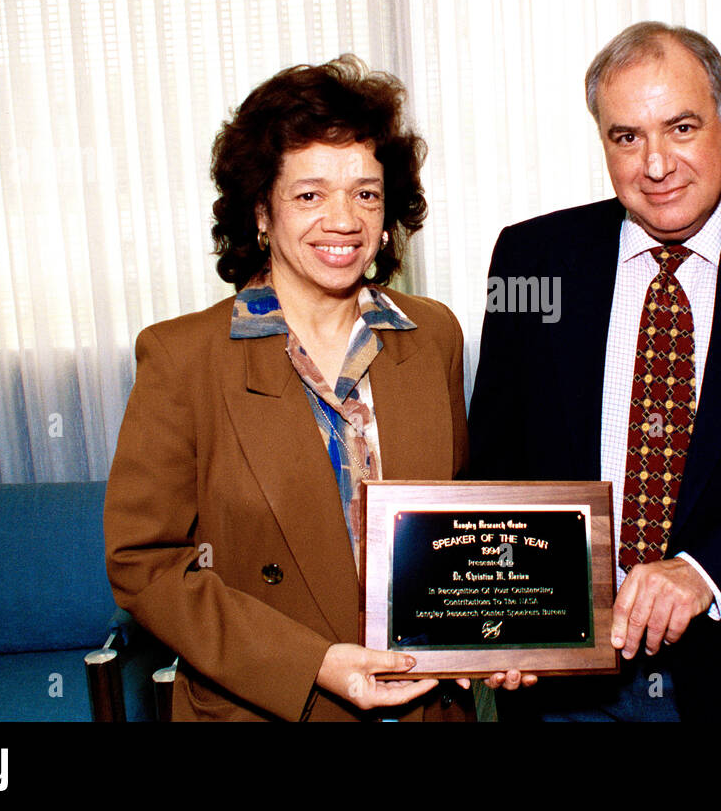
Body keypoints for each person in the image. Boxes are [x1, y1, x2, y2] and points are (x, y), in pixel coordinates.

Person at [468, 22, 721, 721]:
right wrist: (498, 619)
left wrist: (703, 573)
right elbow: (497, 461)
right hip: (563, 679)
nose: (655, 164)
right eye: (626, 137)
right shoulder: (533, 258)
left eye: (682, 127)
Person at [104, 56, 479, 721]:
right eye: (309, 195)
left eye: (366, 193)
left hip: (426, 704)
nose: (343, 220)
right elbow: (145, 565)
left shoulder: (435, 336)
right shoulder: (181, 358)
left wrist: (501, 635)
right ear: (259, 212)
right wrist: (313, 663)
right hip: (267, 706)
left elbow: (456, 529)